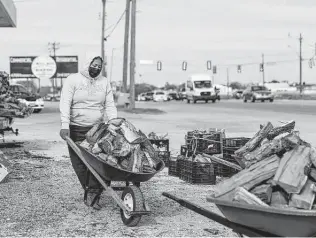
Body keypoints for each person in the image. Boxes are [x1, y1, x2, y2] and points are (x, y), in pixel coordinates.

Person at [59, 56, 117, 209]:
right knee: (80, 163)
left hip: (97, 128)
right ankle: (90, 189)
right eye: (94, 65)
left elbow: (110, 104)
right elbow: (65, 102)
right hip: (76, 127)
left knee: (99, 161)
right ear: (87, 63)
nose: (97, 68)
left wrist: (114, 123)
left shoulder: (104, 82)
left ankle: (93, 191)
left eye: (99, 66)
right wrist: (65, 124)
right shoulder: (73, 80)